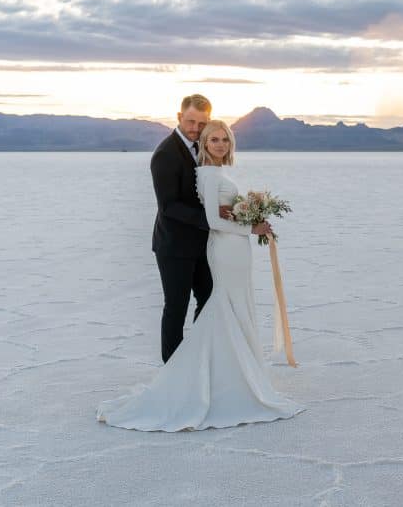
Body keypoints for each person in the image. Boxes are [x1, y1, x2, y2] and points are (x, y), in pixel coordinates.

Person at [97, 119, 305, 431]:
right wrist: (252, 225)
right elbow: (213, 220)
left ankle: (235, 374)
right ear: (205, 144)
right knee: (224, 308)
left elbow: (220, 213)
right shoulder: (207, 174)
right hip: (226, 249)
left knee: (232, 309)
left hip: (234, 248)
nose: (220, 145)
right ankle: (207, 378)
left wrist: (246, 212)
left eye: (225, 140)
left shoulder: (214, 172)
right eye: (214, 140)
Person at [147, 94, 232, 363]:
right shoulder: (165, 154)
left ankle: (197, 357)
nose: (195, 128)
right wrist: (212, 217)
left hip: (202, 244)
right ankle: (173, 370)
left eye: (201, 123)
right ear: (179, 117)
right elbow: (169, 206)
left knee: (208, 300)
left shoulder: (203, 149)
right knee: (176, 308)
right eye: (190, 121)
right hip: (174, 246)